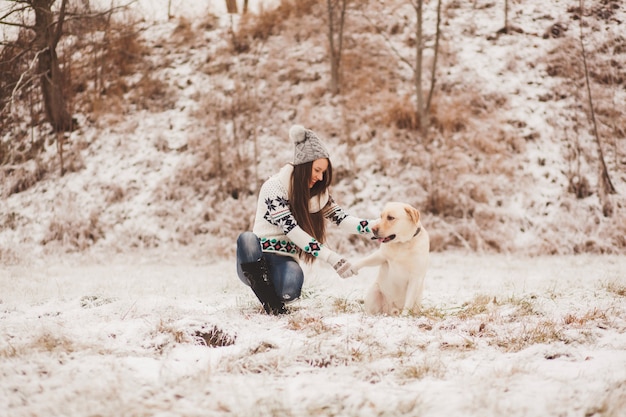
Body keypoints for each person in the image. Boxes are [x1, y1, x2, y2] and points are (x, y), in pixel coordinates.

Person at [236, 124, 374, 315]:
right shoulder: (274, 187)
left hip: (283, 260)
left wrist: (377, 227)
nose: (319, 177)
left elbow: (343, 219)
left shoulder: (316, 197)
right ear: (304, 166)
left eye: (323, 173)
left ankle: (272, 295)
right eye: (317, 170)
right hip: (256, 256)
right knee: (246, 240)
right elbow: (292, 230)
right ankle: (272, 306)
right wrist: (333, 259)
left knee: (290, 287)